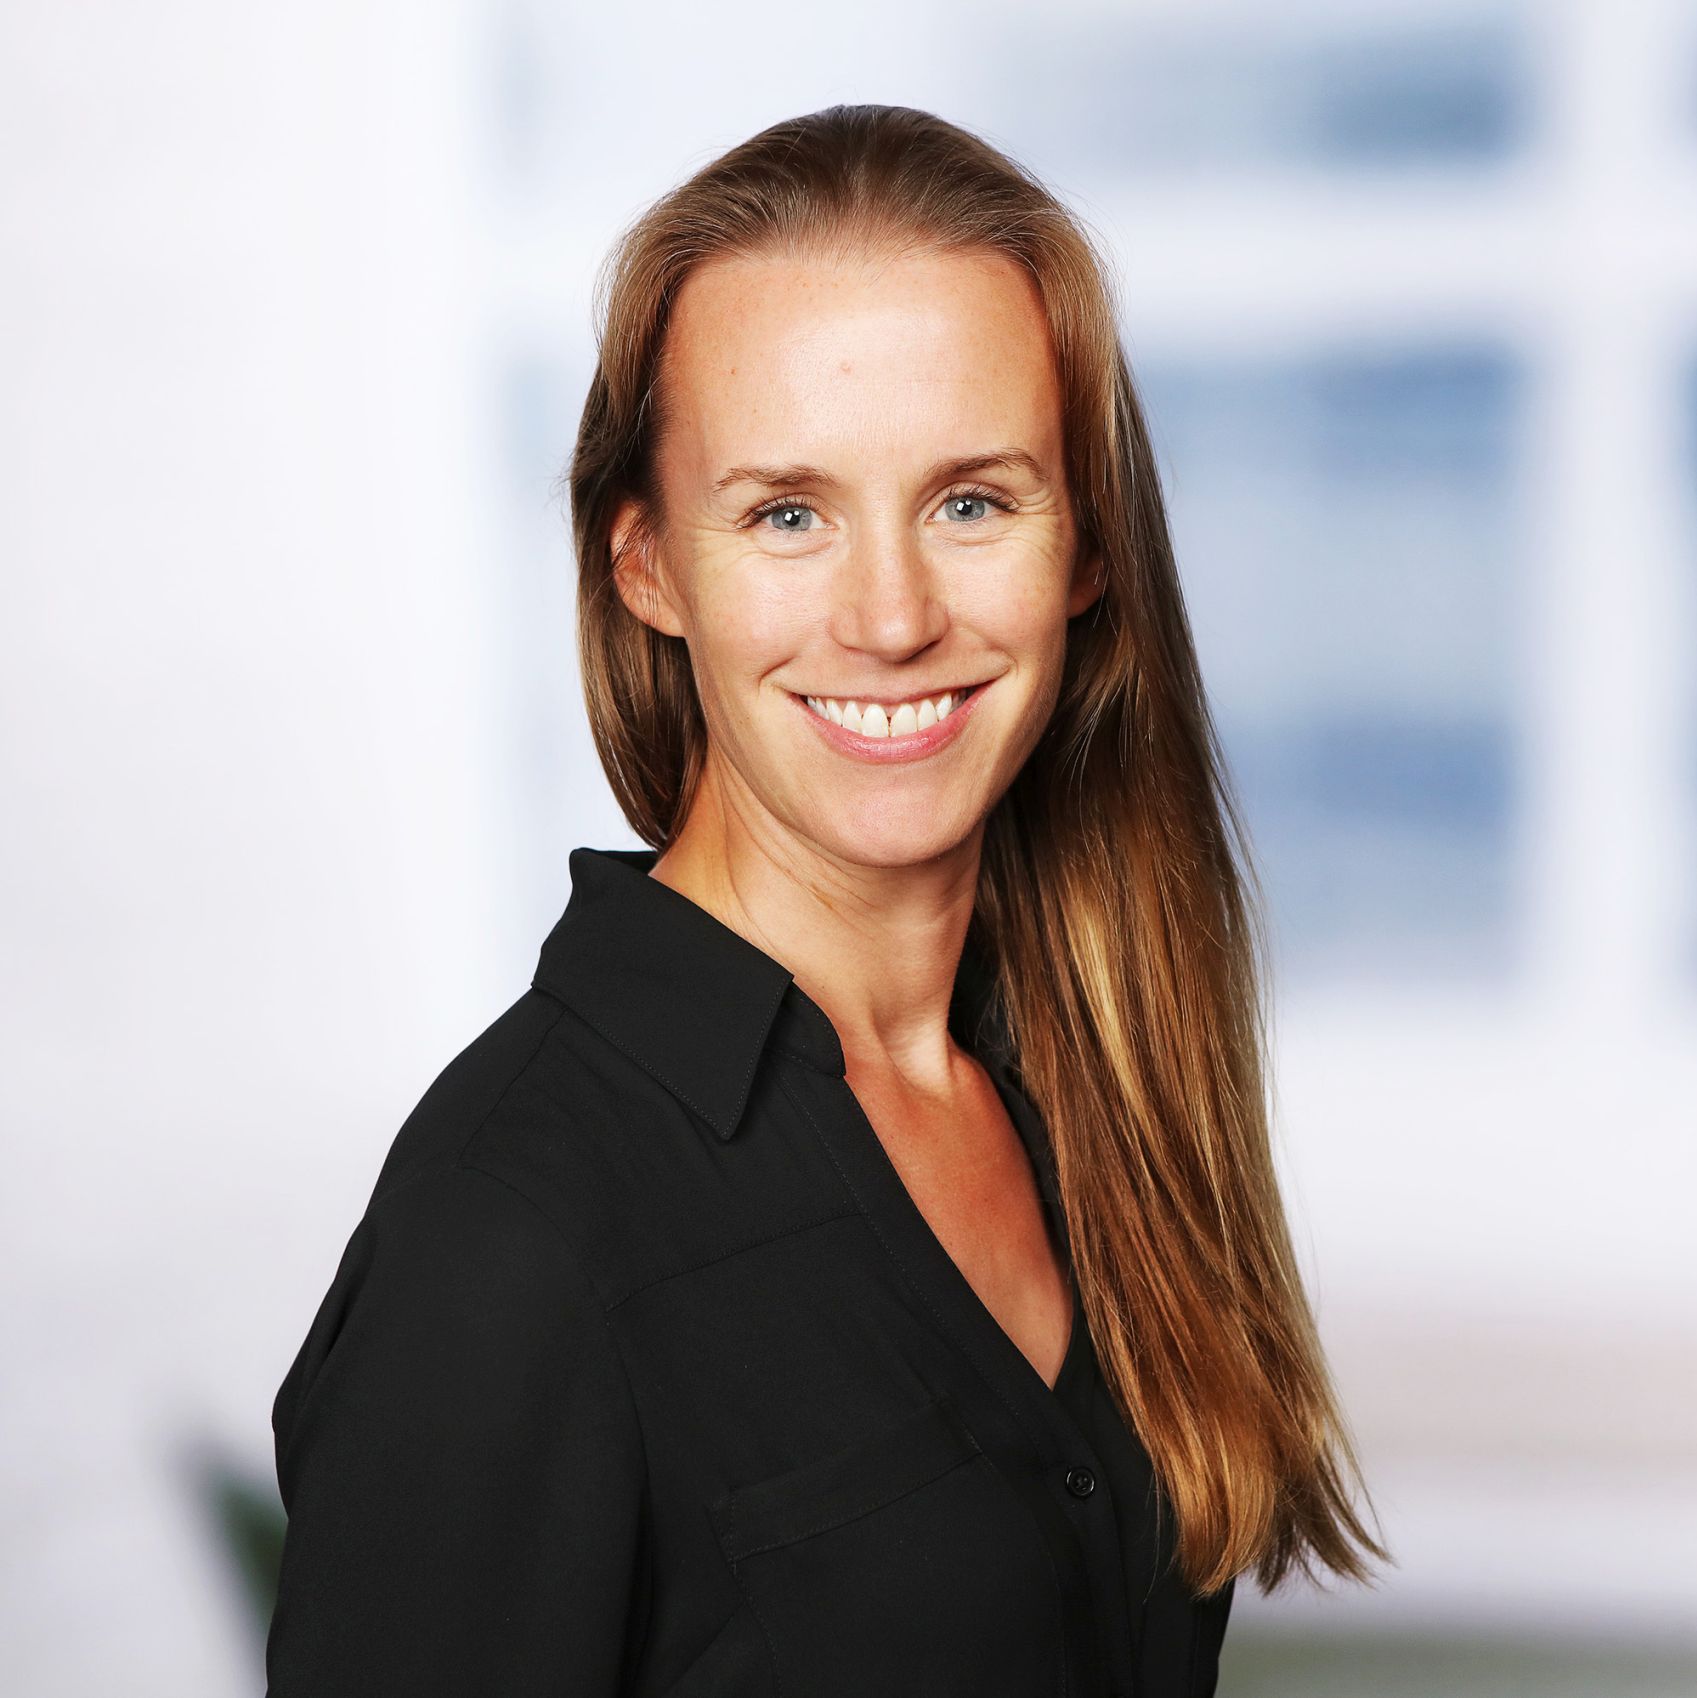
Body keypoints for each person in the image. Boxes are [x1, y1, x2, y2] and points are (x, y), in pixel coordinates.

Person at [264, 103, 1389, 1697]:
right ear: (647, 564)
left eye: (971, 501)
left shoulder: (1097, 1086)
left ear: (1083, 549)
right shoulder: (509, 1235)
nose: (889, 616)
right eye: (786, 513)